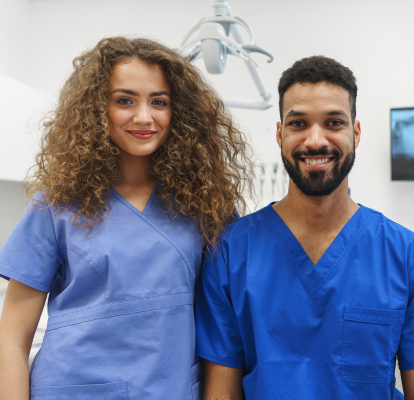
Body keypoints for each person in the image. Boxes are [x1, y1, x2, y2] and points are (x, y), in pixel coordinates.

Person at [195, 55, 414, 400]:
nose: (315, 140)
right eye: (298, 124)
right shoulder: (230, 253)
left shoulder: (407, 256)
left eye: (333, 123)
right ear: (280, 134)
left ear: (355, 133)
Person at [0, 36, 253, 400]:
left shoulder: (206, 204)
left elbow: (225, 327)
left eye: (159, 102)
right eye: (124, 100)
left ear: (178, 112)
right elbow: (11, 339)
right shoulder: (55, 205)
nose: (143, 117)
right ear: (96, 109)